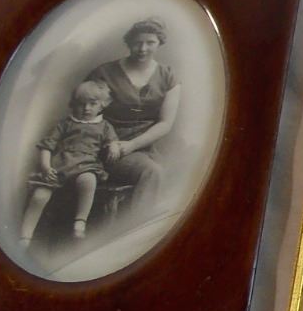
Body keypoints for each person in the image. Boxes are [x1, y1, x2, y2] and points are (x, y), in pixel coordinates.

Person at [86, 17, 182, 216]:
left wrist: (133, 145)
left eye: (150, 42)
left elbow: (165, 123)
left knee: (182, 170)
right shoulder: (104, 73)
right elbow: (86, 116)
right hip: (109, 147)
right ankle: (135, 225)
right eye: (137, 42)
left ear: (159, 43)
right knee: (152, 172)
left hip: (146, 146)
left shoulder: (168, 75)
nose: (143, 49)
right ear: (129, 43)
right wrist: (113, 143)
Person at [18, 79, 116, 243]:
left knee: (89, 180)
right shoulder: (65, 124)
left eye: (92, 104)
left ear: (102, 105)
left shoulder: (104, 126)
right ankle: (25, 236)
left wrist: (113, 146)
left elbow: (112, 141)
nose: (86, 108)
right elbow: (46, 147)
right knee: (39, 196)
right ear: (73, 105)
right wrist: (46, 167)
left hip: (85, 166)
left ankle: (80, 221)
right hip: (60, 166)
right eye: (81, 104)